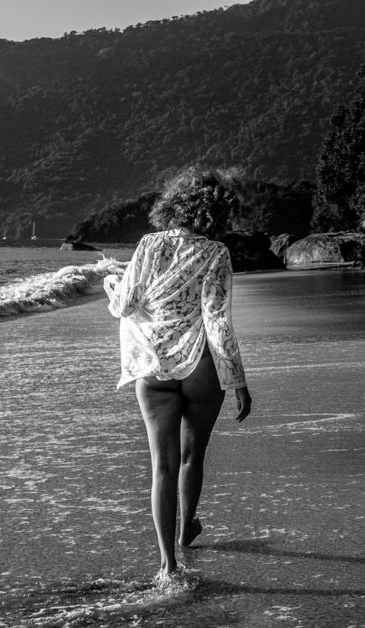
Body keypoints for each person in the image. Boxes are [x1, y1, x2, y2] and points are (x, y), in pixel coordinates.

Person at [103, 168, 253, 582]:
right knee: (192, 458)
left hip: (153, 368)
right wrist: (237, 380)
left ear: (174, 203)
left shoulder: (149, 245)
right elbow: (216, 318)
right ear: (218, 212)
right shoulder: (217, 252)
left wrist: (111, 283)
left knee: (162, 466)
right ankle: (188, 529)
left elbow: (125, 306)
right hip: (201, 365)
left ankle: (168, 565)